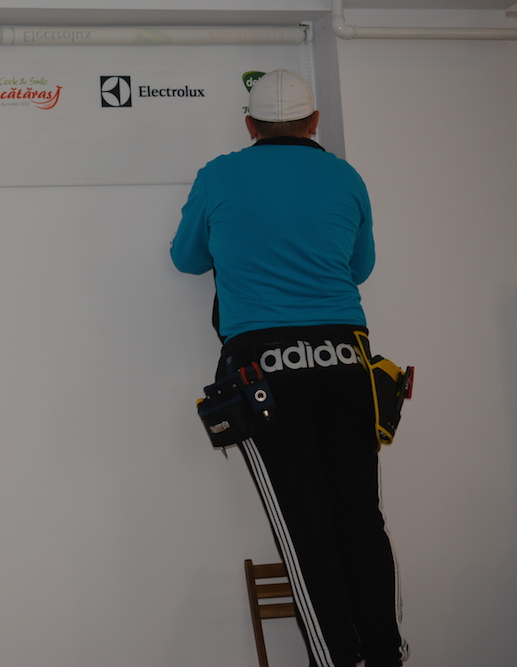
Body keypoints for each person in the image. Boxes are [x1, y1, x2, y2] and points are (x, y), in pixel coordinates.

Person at [170, 69, 409, 667]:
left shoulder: (219, 174)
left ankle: (336, 660)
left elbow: (186, 259)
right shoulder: (345, 176)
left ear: (250, 125)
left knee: (306, 529)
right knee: (361, 518)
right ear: (314, 122)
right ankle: (385, 654)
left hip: (265, 370)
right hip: (347, 358)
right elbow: (359, 268)